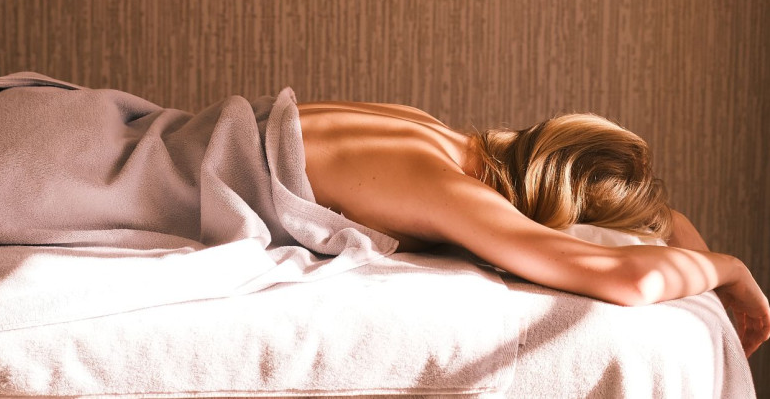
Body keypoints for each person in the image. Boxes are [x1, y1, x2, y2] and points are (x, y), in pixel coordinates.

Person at [297, 99, 770, 359]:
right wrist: (728, 268)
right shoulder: (449, 191)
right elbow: (629, 277)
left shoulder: (426, 130)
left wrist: (672, 223)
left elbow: (661, 233)